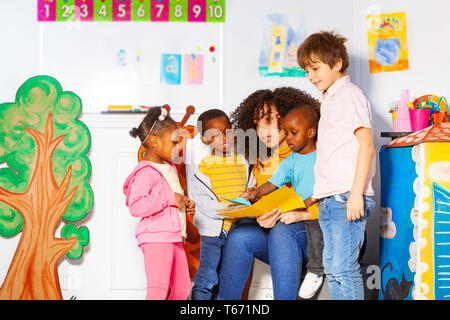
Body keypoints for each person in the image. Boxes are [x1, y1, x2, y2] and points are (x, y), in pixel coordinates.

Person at [217, 88, 321, 300]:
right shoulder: (261, 161)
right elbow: (271, 204)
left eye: (268, 120)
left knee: (283, 229)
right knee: (240, 236)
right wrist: (258, 213)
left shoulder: (317, 150)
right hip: (283, 240)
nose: (261, 130)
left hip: (318, 236)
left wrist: (300, 215)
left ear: (289, 117)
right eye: (256, 124)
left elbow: (338, 196)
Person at [297, 31, 376, 300]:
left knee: (343, 269)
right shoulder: (329, 100)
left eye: (315, 68)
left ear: (337, 63)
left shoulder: (350, 95)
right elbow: (334, 153)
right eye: (307, 70)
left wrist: (356, 194)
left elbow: (366, 145)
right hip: (332, 197)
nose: (310, 76)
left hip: (347, 196)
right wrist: (317, 194)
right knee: (332, 268)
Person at [243, 104, 325, 299]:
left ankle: (316, 271)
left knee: (316, 229)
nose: (288, 138)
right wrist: (256, 193)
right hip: (298, 215)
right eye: (286, 132)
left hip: (317, 212)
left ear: (311, 132)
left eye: (293, 133)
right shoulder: (290, 161)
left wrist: (306, 204)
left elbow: (326, 188)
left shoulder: (323, 156)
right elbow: (274, 183)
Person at [123, 106, 195, 300]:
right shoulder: (145, 172)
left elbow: (173, 198)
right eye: (174, 141)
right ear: (155, 142)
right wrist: (171, 199)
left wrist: (184, 203)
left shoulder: (169, 168)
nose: (178, 147)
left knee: (182, 290)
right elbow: (136, 206)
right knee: (158, 290)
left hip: (175, 237)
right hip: (156, 237)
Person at [188, 109, 251, 300]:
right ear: (205, 140)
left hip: (238, 231)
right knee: (207, 279)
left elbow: (252, 185)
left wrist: (250, 194)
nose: (224, 138)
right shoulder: (203, 167)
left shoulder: (242, 161)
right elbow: (203, 202)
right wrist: (227, 211)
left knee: (228, 279)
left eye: (227, 131)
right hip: (214, 233)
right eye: (215, 135)